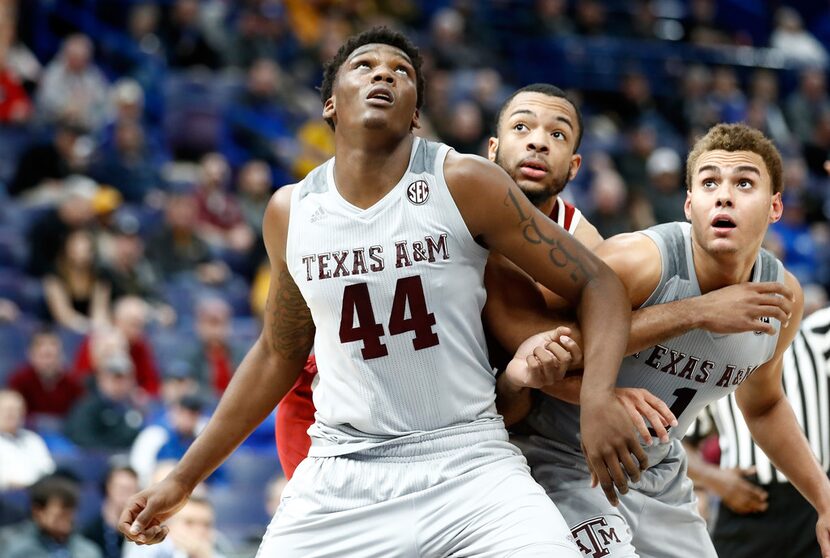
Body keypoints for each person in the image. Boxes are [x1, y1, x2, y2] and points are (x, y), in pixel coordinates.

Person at [119, 27, 641, 557]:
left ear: (415, 113)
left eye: (402, 71)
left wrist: (597, 397)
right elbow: (278, 352)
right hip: (344, 470)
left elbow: (599, 282)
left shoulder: (464, 182)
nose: (384, 74)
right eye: (364, 66)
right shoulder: (291, 211)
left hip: (468, 460)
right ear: (330, 105)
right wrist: (182, 480)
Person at [495, 123, 830, 557]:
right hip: (562, 454)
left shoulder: (781, 297)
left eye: (744, 183)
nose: (724, 195)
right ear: (691, 204)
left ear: (775, 206)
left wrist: (823, 499)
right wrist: (696, 314)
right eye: (709, 182)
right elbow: (529, 341)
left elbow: (763, 405)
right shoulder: (639, 261)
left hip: (657, 472)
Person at [275, 81, 603, 479]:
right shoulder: (447, 195)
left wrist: (600, 390)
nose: (537, 143)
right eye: (521, 127)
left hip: (447, 418)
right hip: (338, 393)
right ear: (492, 149)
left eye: (557, 133)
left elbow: (589, 341)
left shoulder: (581, 240)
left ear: (574, 165)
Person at [684, 290, 830, 558]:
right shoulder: (712, 360)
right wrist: (716, 480)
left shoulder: (818, 338)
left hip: (814, 500)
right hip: (746, 502)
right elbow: (676, 443)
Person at [1, 474, 101, 558]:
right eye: (61, 515)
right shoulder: (13, 547)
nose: (67, 521)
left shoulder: (87, 551)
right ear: (38, 511)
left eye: (70, 514)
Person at [0, 390, 55, 490]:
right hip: (7, 496)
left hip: (39, 493)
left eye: (17, 410)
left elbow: (48, 469)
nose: (11, 414)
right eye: (6, 409)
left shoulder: (33, 439)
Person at [81, 464, 140, 558]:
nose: (125, 495)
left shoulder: (142, 531)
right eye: (121, 489)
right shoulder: (89, 532)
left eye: (130, 490)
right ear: (108, 487)